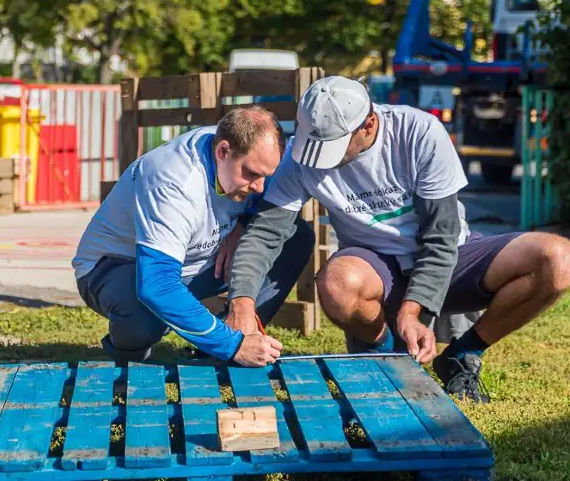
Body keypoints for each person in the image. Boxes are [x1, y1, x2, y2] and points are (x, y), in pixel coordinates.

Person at [230, 76, 570, 402]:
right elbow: (264, 233)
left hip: (451, 257)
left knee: (557, 259)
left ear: (368, 125)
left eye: (331, 147)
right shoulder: (301, 155)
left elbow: (441, 238)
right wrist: (242, 303)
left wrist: (413, 310)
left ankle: (463, 353)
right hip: (376, 269)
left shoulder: (419, 133)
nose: (317, 159)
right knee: (336, 282)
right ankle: (388, 357)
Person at [72, 106, 316, 366]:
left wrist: (243, 224)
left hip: (197, 260)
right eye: (252, 174)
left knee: (294, 236)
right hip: (116, 267)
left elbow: (266, 214)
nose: (259, 187)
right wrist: (231, 346)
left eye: (266, 176)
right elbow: (157, 286)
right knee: (145, 312)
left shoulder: (246, 152)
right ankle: (130, 357)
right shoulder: (172, 181)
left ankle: (235, 333)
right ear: (223, 152)